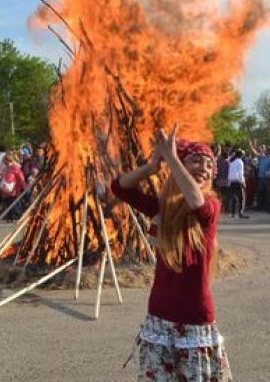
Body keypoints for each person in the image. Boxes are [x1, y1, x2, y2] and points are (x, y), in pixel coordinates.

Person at [111, 125, 232, 381]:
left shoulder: (211, 207)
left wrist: (173, 158)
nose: (204, 167)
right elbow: (119, 188)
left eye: (209, 164)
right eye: (196, 160)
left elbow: (196, 202)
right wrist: (152, 167)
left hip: (195, 320)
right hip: (159, 317)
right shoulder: (162, 209)